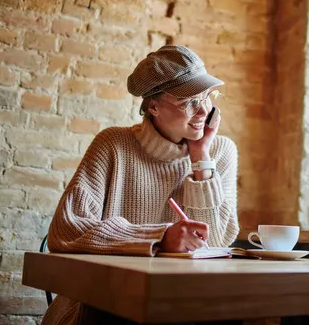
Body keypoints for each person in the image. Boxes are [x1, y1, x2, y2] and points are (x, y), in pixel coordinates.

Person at [41, 45, 240, 324]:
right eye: (189, 102)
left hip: (183, 305)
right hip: (104, 303)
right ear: (154, 107)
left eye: (207, 97)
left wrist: (200, 157)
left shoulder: (220, 151)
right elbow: (65, 229)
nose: (204, 111)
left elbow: (217, 241)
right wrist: (159, 238)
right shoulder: (113, 144)